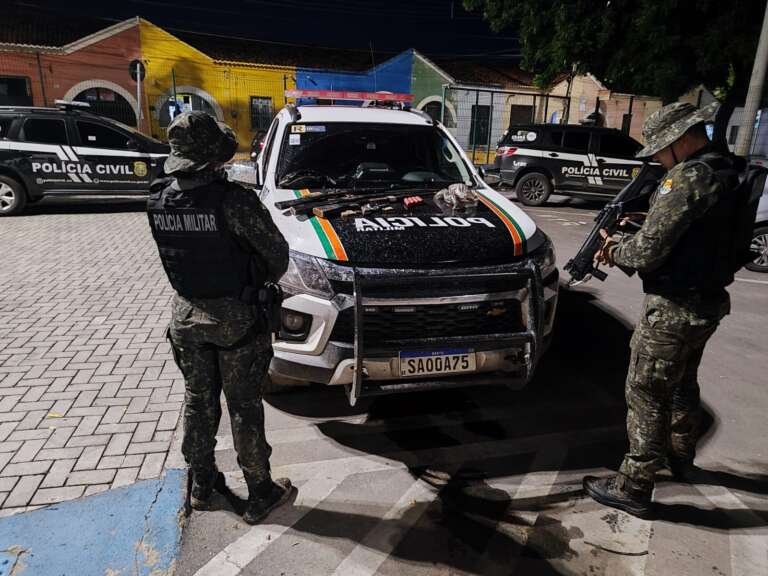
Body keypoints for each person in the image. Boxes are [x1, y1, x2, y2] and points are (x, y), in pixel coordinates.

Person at [583, 102, 744, 518]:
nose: (655, 157)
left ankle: (634, 485)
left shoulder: (688, 176)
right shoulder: (725, 169)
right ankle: (680, 454)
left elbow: (647, 252)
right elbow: (696, 232)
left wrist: (615, 250)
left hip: (673, 308)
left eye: (659, 149)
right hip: (707, 303)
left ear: (680, 140)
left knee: (647, 390)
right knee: (681, 382)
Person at [147, 111, 292, 524]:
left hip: (186, 319)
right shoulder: (234, 201)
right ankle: (260, 491)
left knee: (198, 403)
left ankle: (202, 485)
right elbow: (277, 257)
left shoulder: (158, 197)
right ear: (215, 159)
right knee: (243, 406)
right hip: (237, 322)